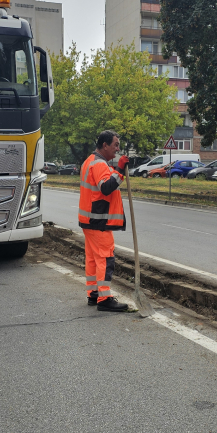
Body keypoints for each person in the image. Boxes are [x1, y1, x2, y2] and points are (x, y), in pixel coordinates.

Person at [79, 130, 130, 312]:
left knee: (93, 258)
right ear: (105, 145)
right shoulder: (99, 164)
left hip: (89, 219)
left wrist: (116, 170)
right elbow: (106, 188)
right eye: (115, 144)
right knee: (105, 257)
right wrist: (120, 171)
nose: (117, 148)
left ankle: (93, 294)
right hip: (98, 220)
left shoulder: (89, 161)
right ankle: (105, 298)